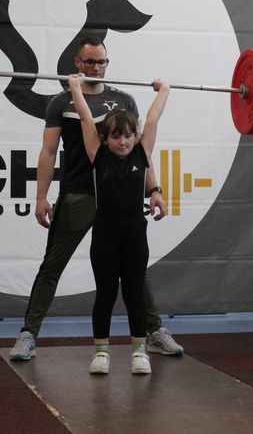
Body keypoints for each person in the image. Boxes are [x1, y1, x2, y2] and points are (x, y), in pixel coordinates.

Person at [10, 38, 183, 361]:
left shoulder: (124, 100)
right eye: (90, 62)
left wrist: (154, 190)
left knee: (136, 268)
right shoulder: (61, 102)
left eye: (101, 62)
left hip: (120, 200)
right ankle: (28, 334)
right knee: (52, 265)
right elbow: (48, 151)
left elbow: (142, 152)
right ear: (78, 63)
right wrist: (41, 196)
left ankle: (155, 331)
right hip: (78, 194)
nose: (96, 68)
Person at [68, 75, 169, 375]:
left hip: (135, 234)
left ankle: (139, 352)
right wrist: (75, 88)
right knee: (106, 293)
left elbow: (152, 118)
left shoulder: (142, 153)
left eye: (127, 136)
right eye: (115, 137)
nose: (122, 142)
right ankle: (101, 353)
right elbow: (86, 119)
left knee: (134, 293)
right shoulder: (97, 155)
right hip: (105, 235)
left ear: (136, 136)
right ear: (105, 138)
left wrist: (164, 90)